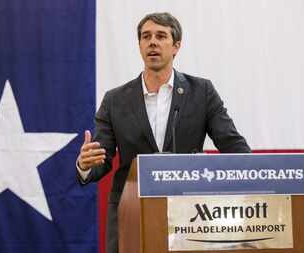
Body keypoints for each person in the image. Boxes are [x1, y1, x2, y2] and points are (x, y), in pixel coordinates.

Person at [76, 12, 251, 253]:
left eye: (161, 36)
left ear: (176, 46)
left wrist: (255, 175)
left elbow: (233, 146)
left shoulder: (201, 92)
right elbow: (100, 159)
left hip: (189, 215)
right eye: (146, 37)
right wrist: (85, 164)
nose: (153, 42)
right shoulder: (115, 100)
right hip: (131, 212)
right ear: (139, 45)